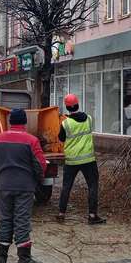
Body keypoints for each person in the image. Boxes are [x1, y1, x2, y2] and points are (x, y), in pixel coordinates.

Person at [0, 108, 47, 263]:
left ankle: (1, 258)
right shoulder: (31, 140)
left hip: (4, 185)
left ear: (10, 121)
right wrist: (38, 179)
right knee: (22, 221)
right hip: (25, 187)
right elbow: (40, 164)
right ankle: (24, 260)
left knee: (5, 220)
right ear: (24, 122)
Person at [57, 94, 106, 224]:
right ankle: (92, 215)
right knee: (92, 186)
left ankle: (61, 213)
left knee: (66, 187)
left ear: (67, 107)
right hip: (88, 160)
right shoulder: (89, 119)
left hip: (71, 161)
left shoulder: (65, 123)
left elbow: (61, 138)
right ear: (78, 104)